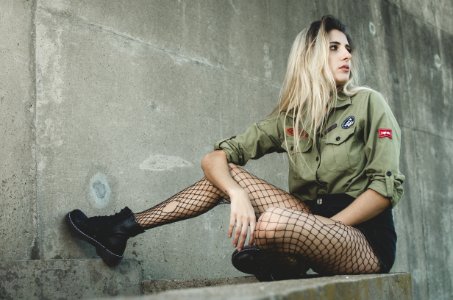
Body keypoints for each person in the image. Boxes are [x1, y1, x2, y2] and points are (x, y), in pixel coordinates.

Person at [66, 15, 404, 280]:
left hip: (362, 240)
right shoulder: (291, 119)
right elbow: (214, 159)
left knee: (271, 223)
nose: (346, 54)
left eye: (347, 48)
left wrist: (327, 229)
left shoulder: (368, 104)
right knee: (232, 176)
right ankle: (121, 229)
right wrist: (235, 192)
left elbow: (384, 190)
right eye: (334, 47)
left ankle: (284, 261)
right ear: (311, 56)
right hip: (307, 221)